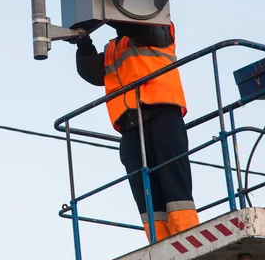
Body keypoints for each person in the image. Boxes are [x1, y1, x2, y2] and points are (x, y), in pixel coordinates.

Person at [74, 21, 199, 242]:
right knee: (145, 192)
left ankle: (188, 239)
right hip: (130, 124)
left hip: (163, 113)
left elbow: (142, 30)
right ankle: (160, 243)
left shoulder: (160, 27)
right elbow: (95, 73)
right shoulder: (114, 47)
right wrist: (83, 44)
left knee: (173, 183)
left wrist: (108, 14)